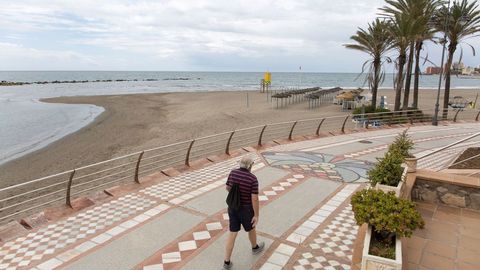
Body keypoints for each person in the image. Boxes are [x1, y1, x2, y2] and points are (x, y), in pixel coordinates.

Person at [223, 156, 264, 269]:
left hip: (232, 208)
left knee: (232, 233)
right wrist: (256, 215)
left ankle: (227, 261)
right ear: (250, 166)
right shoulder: (252, 179)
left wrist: (236, 195)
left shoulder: (233, 173)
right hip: (246, 209)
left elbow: (227, 187)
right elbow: (254, 199)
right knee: (251, 228)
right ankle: (255, 247)